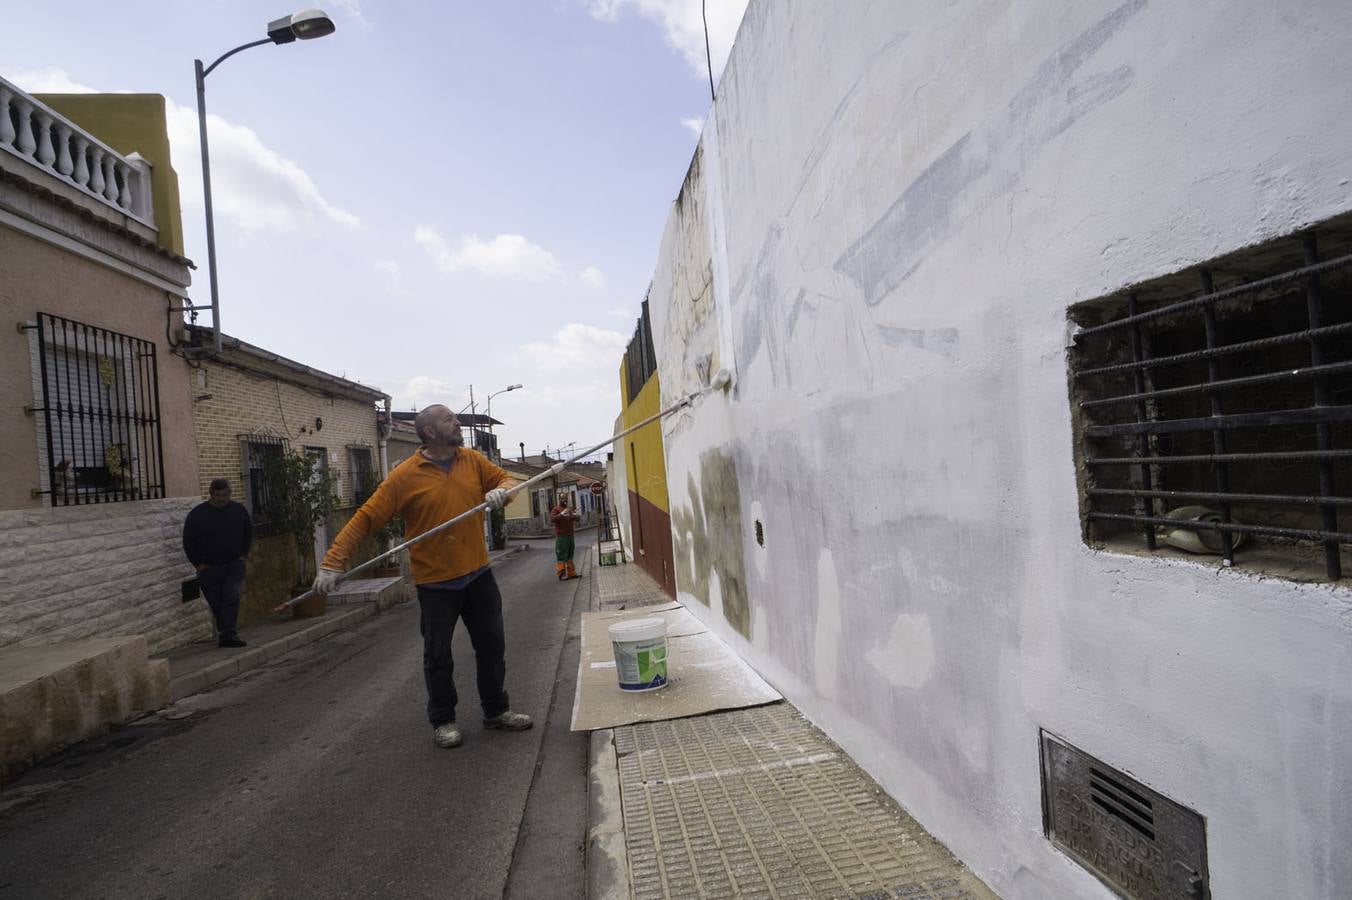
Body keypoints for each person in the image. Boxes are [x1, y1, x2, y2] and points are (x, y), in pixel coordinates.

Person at [310, 404, 531, 750]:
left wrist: (502, 492)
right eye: (449, 419)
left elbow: (507, 480)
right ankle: (443, 721)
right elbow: (367, 517)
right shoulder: (405, 476)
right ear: (429, 432)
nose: (457, 422)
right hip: (436, 584)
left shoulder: (472, 460)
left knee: (492, 648)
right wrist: (332, 562)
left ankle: (496, 711)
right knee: (438, 655)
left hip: (478, 574)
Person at [182, 478, 253, 648]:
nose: (221, 498)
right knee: (216, 603)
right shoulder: (197, 514)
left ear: (230, 494)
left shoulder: (238, 510)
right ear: (211, 494)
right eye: (218, 495)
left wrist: (244, 554)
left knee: (231, 596)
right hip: (208, 568)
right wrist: (197, 563)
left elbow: (248, 532)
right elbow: (188, 540)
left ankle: (228, 635)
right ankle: (226, 634)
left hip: (234, 565)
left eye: (225, 495)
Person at [549, 493, 580, 580]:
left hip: (570, 535)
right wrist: (561, 514)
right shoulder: (556, 509)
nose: (564, 500)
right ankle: (561, 574)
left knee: (570, 554)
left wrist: (574, 515)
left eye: (566, 498)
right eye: (562, 498)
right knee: (562, 555)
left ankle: (571, 573)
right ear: (559, 499)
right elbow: (552, 519)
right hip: (562, 536)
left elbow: (577, 518)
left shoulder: (569, 509)